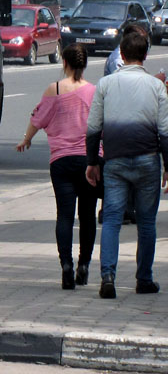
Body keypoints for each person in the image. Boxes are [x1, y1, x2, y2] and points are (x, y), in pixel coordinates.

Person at [85, 30, 168, 299]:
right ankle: (144, 279)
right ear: (146, 55)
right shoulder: (157, 87)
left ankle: (107, 275)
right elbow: (165, 132)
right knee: (146, 222)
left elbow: (93, 128)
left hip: (115, 160)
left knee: (111, 220)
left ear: (121, 53)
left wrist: (92, 162)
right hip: (147, 160)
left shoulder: (106, 85)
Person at [16, 44, 98, 289]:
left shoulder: (55, 89)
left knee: (64, 215)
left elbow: (38, 118)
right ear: (84, 64)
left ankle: (66, 265)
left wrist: (27, 139)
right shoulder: (94, 91)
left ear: (65, 63)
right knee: (87, 215)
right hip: (88, 161)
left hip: (61, 161)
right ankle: (84, 265)